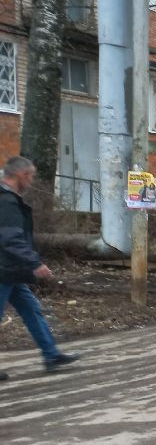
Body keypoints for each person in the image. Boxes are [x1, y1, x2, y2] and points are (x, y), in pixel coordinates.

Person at [0, 156, 79, 380]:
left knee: (32, 310)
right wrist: (34, 262)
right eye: (31, 175)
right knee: (30, 310)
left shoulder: (8, 199)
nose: (32, 180)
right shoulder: (6, 202)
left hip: (11, 270)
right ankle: (51, 353)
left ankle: (51, 354)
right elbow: (10, 238)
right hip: (3, 270)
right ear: (20, 175)